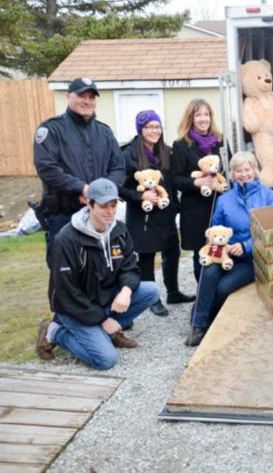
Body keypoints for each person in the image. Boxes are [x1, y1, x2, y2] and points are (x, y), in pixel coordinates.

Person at [35, 178, 159, 370]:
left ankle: (106, 332)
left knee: (151, 291)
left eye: (113, 205)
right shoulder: (66, 240)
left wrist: (126, 290)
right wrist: (102, 319)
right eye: (103, 206)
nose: (110, 212)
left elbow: (130, 267)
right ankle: (54, 331)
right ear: (89, 203)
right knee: (106, 359)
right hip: (75, 309)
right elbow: (67, 293)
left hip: (104, 300)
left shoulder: (119, 230)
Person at [186, 151, 273, 347]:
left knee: (223, 287)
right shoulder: (224, 199)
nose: (243, 174)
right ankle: (198, 326)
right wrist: (223, 245)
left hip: (253, 258)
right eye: (238, 170)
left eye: (247, 169)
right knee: (208, 272)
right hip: (225, 252)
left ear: (254, 170)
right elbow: (215, 228)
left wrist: (245, 246)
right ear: (233, 173)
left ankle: (205, 314)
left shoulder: (270, 197)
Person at [33, 77, 126, 267]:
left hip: (99, 215)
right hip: (64, 215)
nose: (87, 101)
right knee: (65, 272)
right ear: (68, 96)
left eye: (91, 97)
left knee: (103, 270)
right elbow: (46, 168)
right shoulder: (51, 129)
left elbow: (118, 168)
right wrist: (81, 189)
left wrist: (101, 194)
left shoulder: (104, 132)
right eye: (81, 95)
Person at [119, 110, 195, 318]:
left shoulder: (167, 152)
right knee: (147, 256)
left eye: (157, 127)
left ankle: (173, 292)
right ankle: (153, 299)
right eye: (149, 127)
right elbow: (120, 188)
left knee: (172, 252)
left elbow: (171, 183)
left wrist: (175, 206)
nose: (154, 131)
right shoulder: (128, 155)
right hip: (142, 216)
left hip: (165, 213)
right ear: (140, 129)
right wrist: (140, 197)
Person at [171, 99, 227, 282]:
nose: (203, 119)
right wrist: (197, 183)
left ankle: (221, 294)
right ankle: (203, 292)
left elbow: (229, 169)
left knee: (222, 247)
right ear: (191, 118)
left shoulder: (221, 141)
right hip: (195, 210)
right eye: (198, 115)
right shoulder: (181, 145)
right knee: (202, 253)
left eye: (206, 114)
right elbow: (176, 179)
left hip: (219, 204)